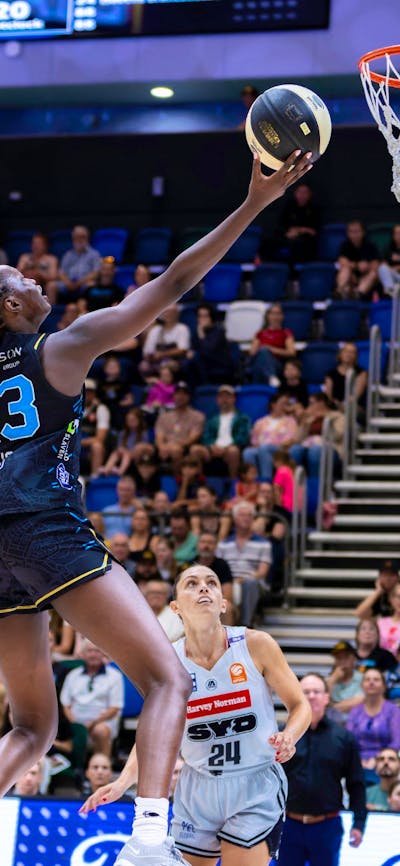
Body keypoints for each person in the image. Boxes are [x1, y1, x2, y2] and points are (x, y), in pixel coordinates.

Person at [0, 147, 312, 865]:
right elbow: (173, 280)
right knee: (167, 678)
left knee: (32, 728)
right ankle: (149, 837)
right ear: (14, 308)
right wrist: (253, 203)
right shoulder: (59, 347)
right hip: (44, 528)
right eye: (22, 278)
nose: (35, 277)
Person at [80, 564, 312, 866]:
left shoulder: (257, 645)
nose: (204, 588)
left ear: (223, 603)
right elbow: (155, 733)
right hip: (196, 787)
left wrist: (289, 736)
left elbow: (300, 705)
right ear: (175, 606)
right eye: (192, 583)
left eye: (212, 583)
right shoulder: (166, 661)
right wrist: (123, 781)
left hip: (254, 785)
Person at [275, 672, 366, 866]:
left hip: (327, 826)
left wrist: (359, 824)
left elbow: (356, 784)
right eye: (305, 692)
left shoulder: (344, 738)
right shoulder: (285, 736)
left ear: (326, 698)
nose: (311, 696)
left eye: (316, 691)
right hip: (289, 826)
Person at [60, 639, 124, 758]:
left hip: (102, 722)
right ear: (83, 654)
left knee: (100, 731)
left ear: (103, 654)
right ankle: (77, 770)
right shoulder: (73, 675)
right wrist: (75, 723)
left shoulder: (115, 676)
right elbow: (66, 704)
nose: (93, 654)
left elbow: (115, 707)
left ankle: (102, 766)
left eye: (97, 651)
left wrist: (93, 723)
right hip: (75, 722)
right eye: (89, 651)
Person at [217, 500, 272, 627]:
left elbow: (262, 572)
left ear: (253, 519)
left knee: (250, 583)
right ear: (234, 519)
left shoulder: (263, 543)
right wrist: (231, 582)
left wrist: (244, 579)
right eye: (242, 515)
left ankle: (245, 624)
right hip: (228, 582)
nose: (246, 518)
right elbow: (218, 568)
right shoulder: (224, 544)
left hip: (253, 581)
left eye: (249, 515)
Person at [346, 669, 400, 777]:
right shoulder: (355, 711)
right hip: (358, 762)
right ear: (362, 685)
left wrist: (378, 759)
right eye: (367, 679)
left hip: (385, 761)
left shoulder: (393, 710)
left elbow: (396, 741)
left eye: (376, 679)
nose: (371, 682)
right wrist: (357, 760)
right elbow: (348, 741)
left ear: (384, 686)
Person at [190, 384, 251, 479]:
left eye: (227, 396)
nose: (224, 399)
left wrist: (226, 448)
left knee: (233, 451)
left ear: (233, 399)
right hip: (212, 449)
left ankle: (233, 484)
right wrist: (211, 446)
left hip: (230, 448)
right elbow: (206, 436)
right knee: (195, 449)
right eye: (221, 397)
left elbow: (243, 437)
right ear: (217, 400)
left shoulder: (242, 418)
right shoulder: (212, 419)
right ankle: (198, 483)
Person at [242, 394, 299, 480]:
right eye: (283, 403)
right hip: (261, 448)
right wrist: (257, 445)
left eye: (287, 404)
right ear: (273, 405)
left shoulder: (290, 421)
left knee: (264, 448)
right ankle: (252, 481)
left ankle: (266, 480)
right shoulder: (260, 422)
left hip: (281, 449)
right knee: (248, 452)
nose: (285, 407)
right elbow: (254, 440)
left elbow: (292, 439)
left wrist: (278, 445)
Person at [155, 381, 205, 472]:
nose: (180, 397)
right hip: (166, 447)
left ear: (189, 397)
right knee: (141, 449)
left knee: (176, 450)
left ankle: (178, 481)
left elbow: (193, 438)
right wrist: (162, 447)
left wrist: (175, 445)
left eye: (184, 394)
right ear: (174, 396)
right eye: (178, 393)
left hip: (185, 447)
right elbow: (159, 436)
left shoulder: (197, 416)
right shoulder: (164, 416)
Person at [247, 304, 296, 385]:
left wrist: (271, 349)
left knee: (264, 352)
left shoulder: (286, 333)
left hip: (277, 364)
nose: (275, 316)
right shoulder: (260, 333)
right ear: (268, 316)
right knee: (261, 356)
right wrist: (264, 350)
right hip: (259, 362)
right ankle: (271, 378)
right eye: (272, 313)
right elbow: (252, 352)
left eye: (278, 313)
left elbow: (291, 352)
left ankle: (271, 377)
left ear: (282, 316)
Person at [140, 304, 191, 380]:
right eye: (166, 312)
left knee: (170, 366)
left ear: (177, 314)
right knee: (143, 365)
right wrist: (150, 357)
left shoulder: (182, 328)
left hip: (175, 361)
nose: (168, 314)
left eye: (171, 312)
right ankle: (151, 384)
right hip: (156, 362)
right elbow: (147, 351)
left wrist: (162, 354)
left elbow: (182, 350)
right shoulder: (155, 330)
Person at [335, 220, 379, 300]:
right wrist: (357, 265)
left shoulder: (370, 245)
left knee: (373, 274)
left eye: (357, 231)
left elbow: (376, 265)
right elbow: (342, 262)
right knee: (345, 270)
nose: (354, 234)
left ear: (363, 232)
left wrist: (367, 267)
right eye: (351, 232)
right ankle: (339, 291)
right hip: (351, 277)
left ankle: (357, 294)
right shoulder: (345, 245)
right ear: (348, 234)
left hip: (366, 279)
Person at [277, 183, 320, 266]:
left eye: (305, 193)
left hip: (306, 242)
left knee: (297, 246)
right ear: (295, 193)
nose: (302, 195)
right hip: (288, 239)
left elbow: (314, 231)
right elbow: (280, 226)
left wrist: (300, 230)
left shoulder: (314, 209)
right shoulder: (289, 207)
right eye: (300, 192)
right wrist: (288, 233)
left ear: (310, 194)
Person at [56, 225, 102, 300]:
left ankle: (87, 307)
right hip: (69, 283)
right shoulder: (68, 254)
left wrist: (80, 282)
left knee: (92, 285)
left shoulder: (94, 254)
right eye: (76, 237)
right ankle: (51, 310)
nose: (79, 239)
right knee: (51, 286)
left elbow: (96, 273)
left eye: (82, 237)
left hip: (84, 283)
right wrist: (67, 282)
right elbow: (61, 272)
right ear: (73, 238)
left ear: (87, 238)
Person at [326, 641, 364, 723]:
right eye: (339, 658)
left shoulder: (363, 679)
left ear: (354, 660)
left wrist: (332, 706)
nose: (342, 662)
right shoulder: (329, 681)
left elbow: (359, 702)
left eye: (346, 657)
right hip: (333, 726)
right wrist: (333, 679)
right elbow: (322, 700)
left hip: (357, 724)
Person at [324, 343, 367, 414]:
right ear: (340, 354)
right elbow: (328, 396)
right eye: (346, 351)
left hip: (354, 407)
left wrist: (343, 405)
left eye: (352, 352)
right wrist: (336, 404)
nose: (349, 354)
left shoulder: (361, 373)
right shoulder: (331, 374)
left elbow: (356, 395)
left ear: (356, 356)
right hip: (335, 406)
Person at [80, 378, 111, 477]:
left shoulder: (101, 409)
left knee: (97, 446)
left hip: (89, 446)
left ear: (94, 394)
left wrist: (80, 442)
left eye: (90, 392)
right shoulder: (74, 408)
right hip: (75, 443)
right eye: (85, 391)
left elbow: (100, 438)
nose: (87, 394)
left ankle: (94, 477)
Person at [17, 233, 58, 305]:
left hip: (43, 284)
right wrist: (25, 268)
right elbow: (16, 274)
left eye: (39, 243)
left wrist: (39, 274)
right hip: (26, 283)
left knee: (51, 285)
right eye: (34, 243)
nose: (35, 246)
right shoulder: (25, 257)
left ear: (45, 245)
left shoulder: (51, 259)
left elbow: (53, 276)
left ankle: (50, 311)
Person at [142, 577, 184, 642]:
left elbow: (179, 638)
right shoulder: (137, 613)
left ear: (167, 596)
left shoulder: (176, 614)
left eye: (160, 593)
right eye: (152, 592)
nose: (155, 596)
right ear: (145, 595)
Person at [377, 582, 400, 654]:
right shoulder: (380, 622)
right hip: (383, 663)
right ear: (391, 599)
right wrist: (378, 591)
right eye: (399, 597)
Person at [377, 223, 400, 295]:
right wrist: (393, 269)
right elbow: (383, 264)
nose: (399, 235)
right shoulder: (388, 248)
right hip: (393, 277)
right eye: (396, 233)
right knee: (382, 268)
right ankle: (391, 290)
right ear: (393, 235)